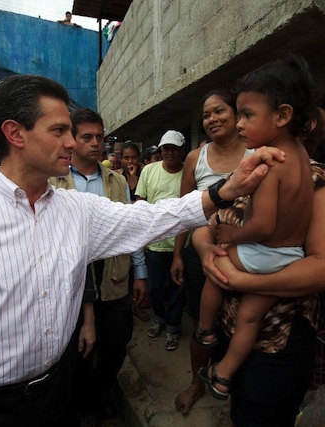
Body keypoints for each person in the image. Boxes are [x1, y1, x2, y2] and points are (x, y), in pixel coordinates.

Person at [0, 74, 278, 427]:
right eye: (59, 131)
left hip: (56, 394)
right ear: (15, 134)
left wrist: (223, 191)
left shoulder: (77, 210)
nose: (72, 142)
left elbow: (150, 218)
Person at [195, 54, 315, 402]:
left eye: (247, 115)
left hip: (261, 254)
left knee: (216, 266)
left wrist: (232, 235)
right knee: (249, 317)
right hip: (289, 257)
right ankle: (223, 375)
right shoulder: (300, 156)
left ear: (282, 115)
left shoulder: (269, 164)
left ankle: (204, 330)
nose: (239, 124)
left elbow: (263, 225)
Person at [49, 109, 148, 422]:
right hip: (72, 280)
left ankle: (101, 391)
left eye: (100, 137)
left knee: (117, 341)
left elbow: (131, 228)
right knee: (74, 348)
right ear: (72, 139)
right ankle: (80, 400)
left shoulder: (116, 181)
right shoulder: (54, 181)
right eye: (87, 137)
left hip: (114, 274)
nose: (95, 143)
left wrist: (140, 273)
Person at [174, 88, 254, 415]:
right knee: (201, 322)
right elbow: (182, 211)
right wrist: (178, 255)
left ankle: (232, 380)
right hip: (201, 252)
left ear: (237, 115)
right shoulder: (196, 158)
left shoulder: (256, 151)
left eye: (219, 111)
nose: (212, 119)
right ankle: (197, 381)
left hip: (248, 253)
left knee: (244, 320)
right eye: (206, 115)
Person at [135, 130, 187, 351]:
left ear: (182, 150)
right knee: (155, 287)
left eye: (174, 148)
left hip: (181, 243)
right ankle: (159, 318)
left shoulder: (188, 173)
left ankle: (173, 328)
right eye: (166, 148)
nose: (169, 152)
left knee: (177, 288)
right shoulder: (149, 170)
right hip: (154, 243)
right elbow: (141, 202)